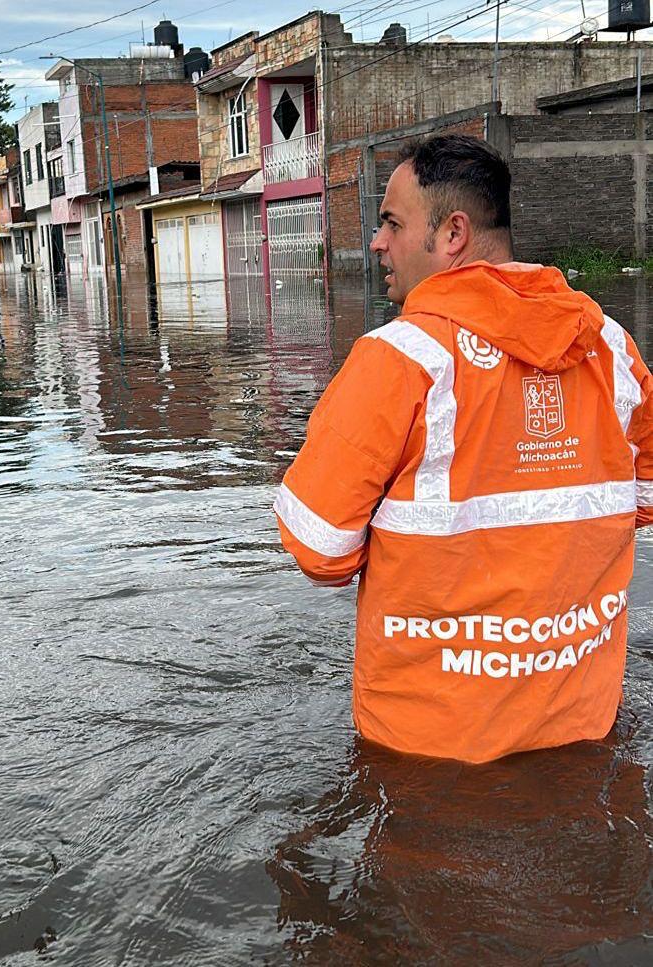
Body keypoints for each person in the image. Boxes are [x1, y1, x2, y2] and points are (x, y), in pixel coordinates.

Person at [274, 134, 653, 763]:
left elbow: (320, 551)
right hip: (582, 727)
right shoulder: (610, 350)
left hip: (424, 750)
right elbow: (641, 503)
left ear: (452, 234)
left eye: (392, 222)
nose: (377, 242)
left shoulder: (396, 360)